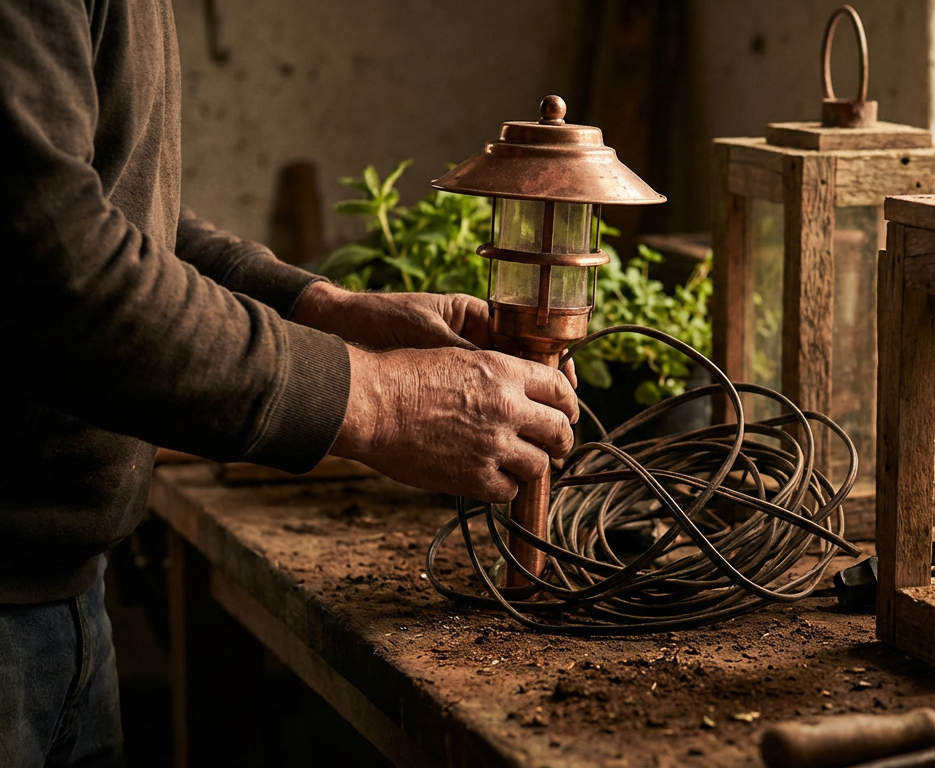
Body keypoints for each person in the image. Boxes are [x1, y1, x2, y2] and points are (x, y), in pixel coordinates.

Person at [0, 1, 578, 765]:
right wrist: (378, 399)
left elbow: (122, 213)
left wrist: (324, 309)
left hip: (65, 597)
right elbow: (50, 264)